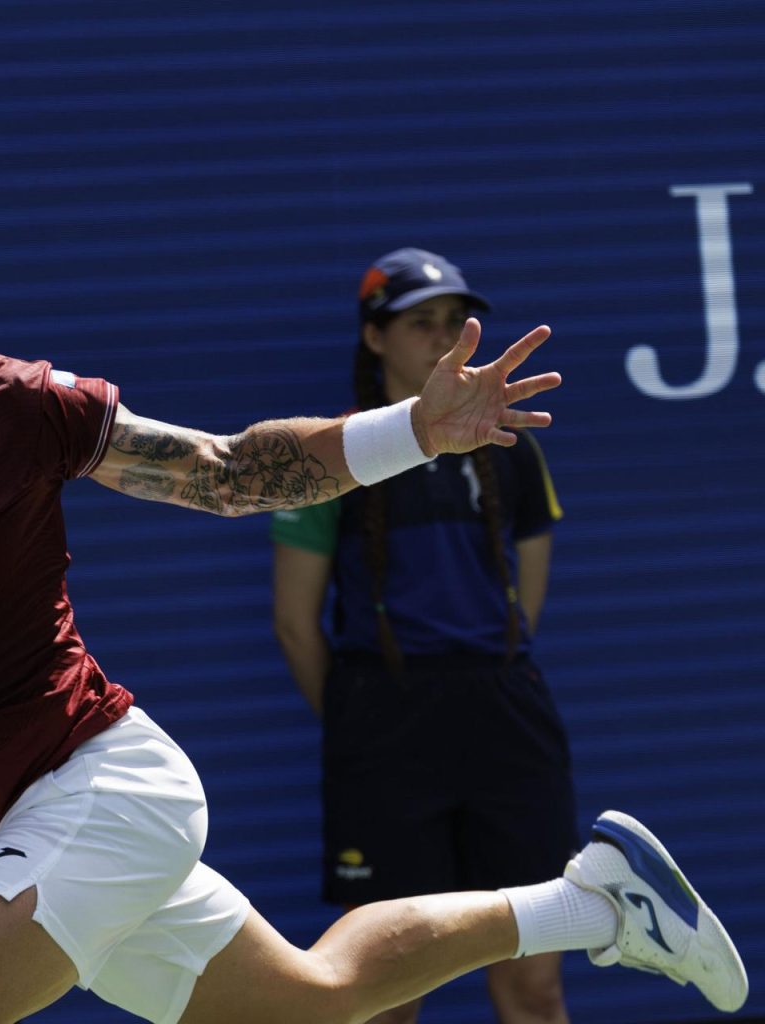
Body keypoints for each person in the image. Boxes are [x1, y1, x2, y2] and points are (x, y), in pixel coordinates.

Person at [0, 153, 747, 1023]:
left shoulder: (26, 405)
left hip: (99, 783)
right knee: (316, 996)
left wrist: (415, 431)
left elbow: (236, 473)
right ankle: (593, 903)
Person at [270, 248, 580, 1024]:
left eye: (453, 321)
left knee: (534, 989)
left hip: (507, 718)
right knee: (385, 1000)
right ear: (375, 339)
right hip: (385, 732)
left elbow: (527, 592)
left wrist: (481, 679)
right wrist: (366, 720)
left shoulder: (515, 445)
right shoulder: (328, 452)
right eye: (420, 324)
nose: (443, 339)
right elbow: (294, 624)